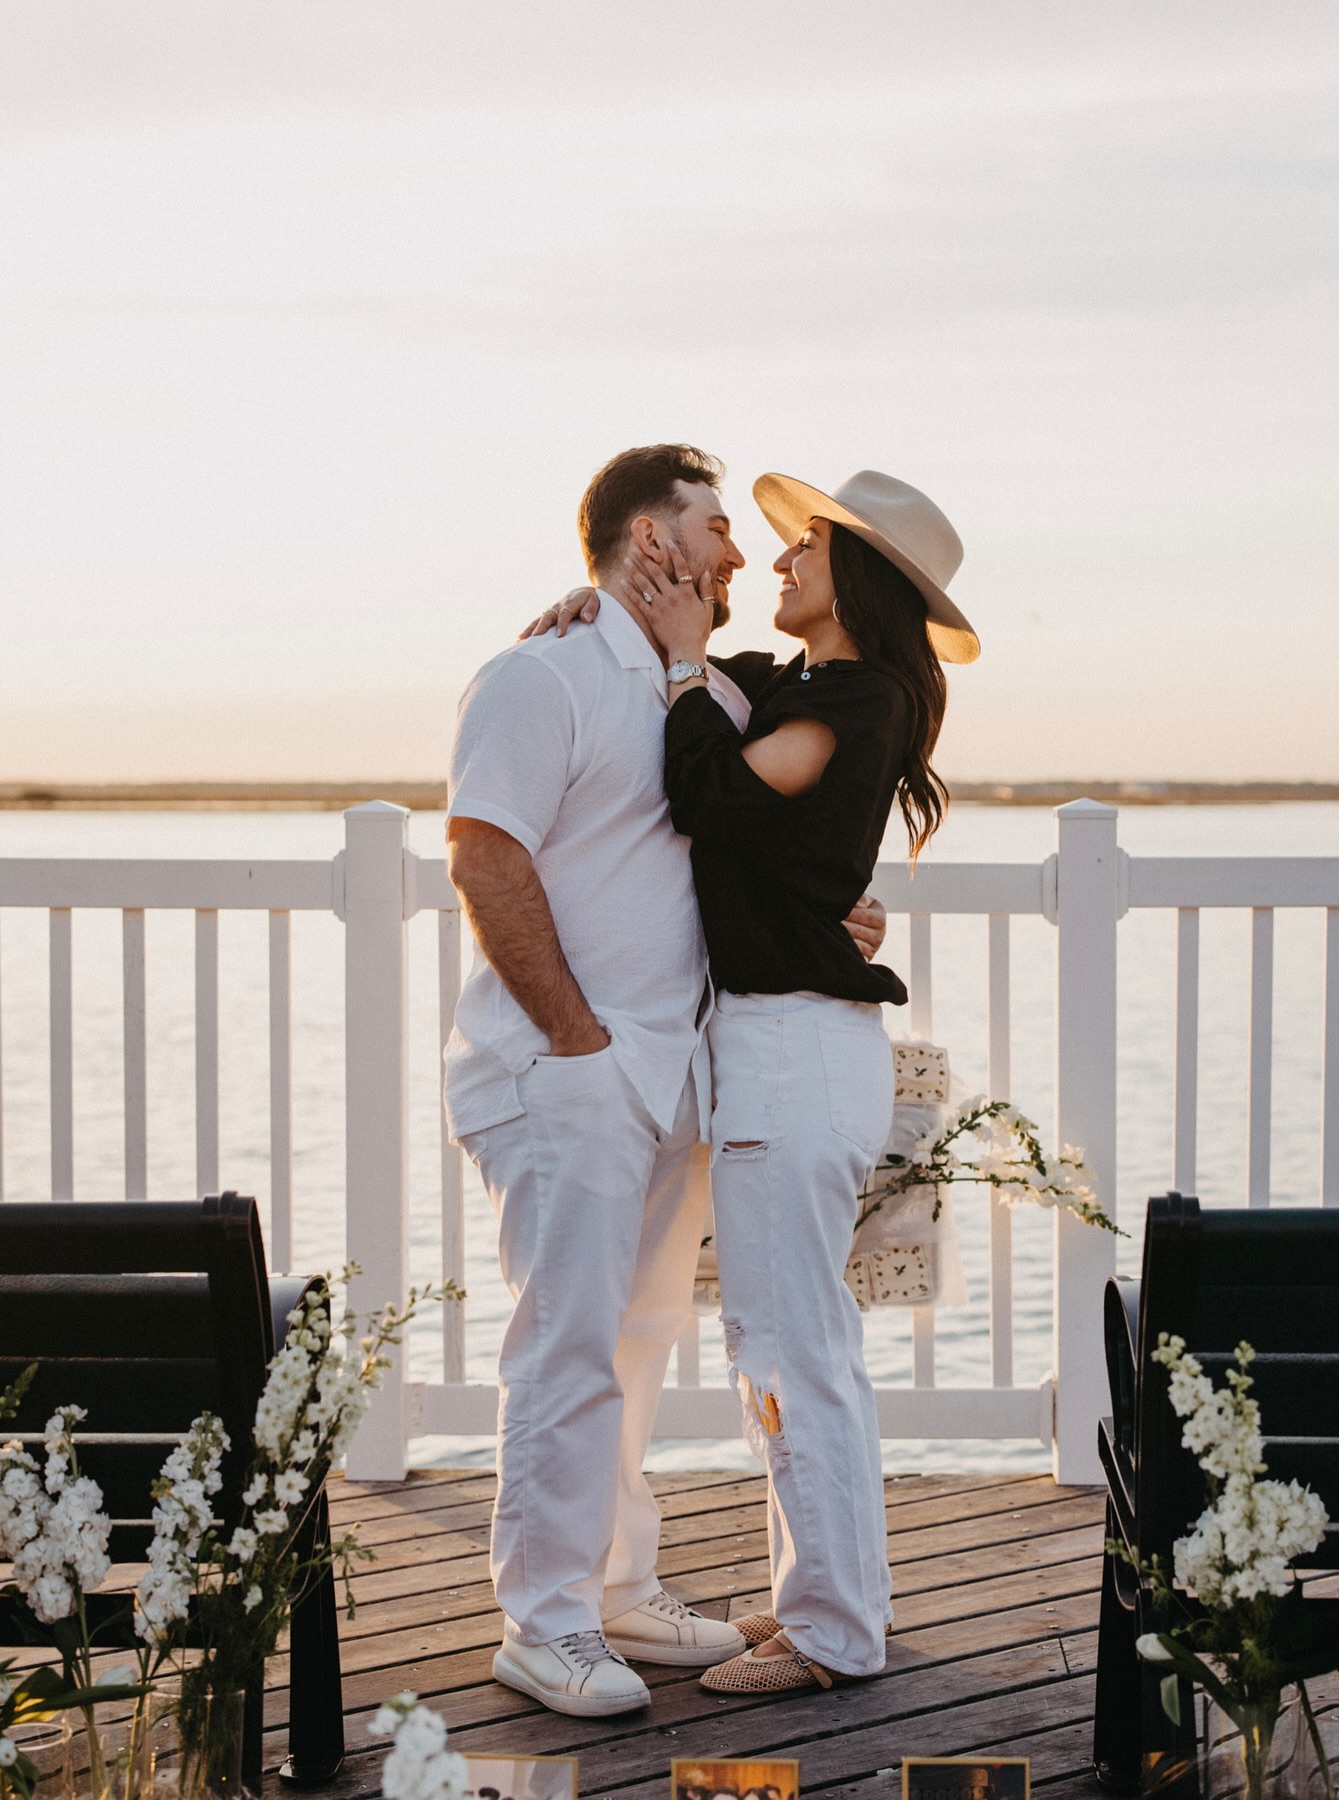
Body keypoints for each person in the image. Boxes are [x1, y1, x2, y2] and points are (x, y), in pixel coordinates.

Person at [443, 444, 885, 1718]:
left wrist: (838, 906)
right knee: (567, 1348)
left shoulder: (714, 693)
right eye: (711, 527)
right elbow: (484, 860)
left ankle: (620, 1586)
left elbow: (764, 827)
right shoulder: (544, 672)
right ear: (650, 546)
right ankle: (542, 1621)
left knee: (635, 1344)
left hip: (675, 1075)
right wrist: (577, 1041)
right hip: (564, 1066)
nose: (741, 551)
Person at [609, 467, 978, 1693]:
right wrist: (598, 607)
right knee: (794, 1344)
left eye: (805, 548)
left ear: (857, 576)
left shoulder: (859, 697)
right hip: (783, 1045)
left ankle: (831, 1635)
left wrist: (670, 669)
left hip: (794, 1051)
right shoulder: (804, 686)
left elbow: (709, 790)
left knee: (787, 1350)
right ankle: (829, 1605)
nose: (777, 563)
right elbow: (724, 698)